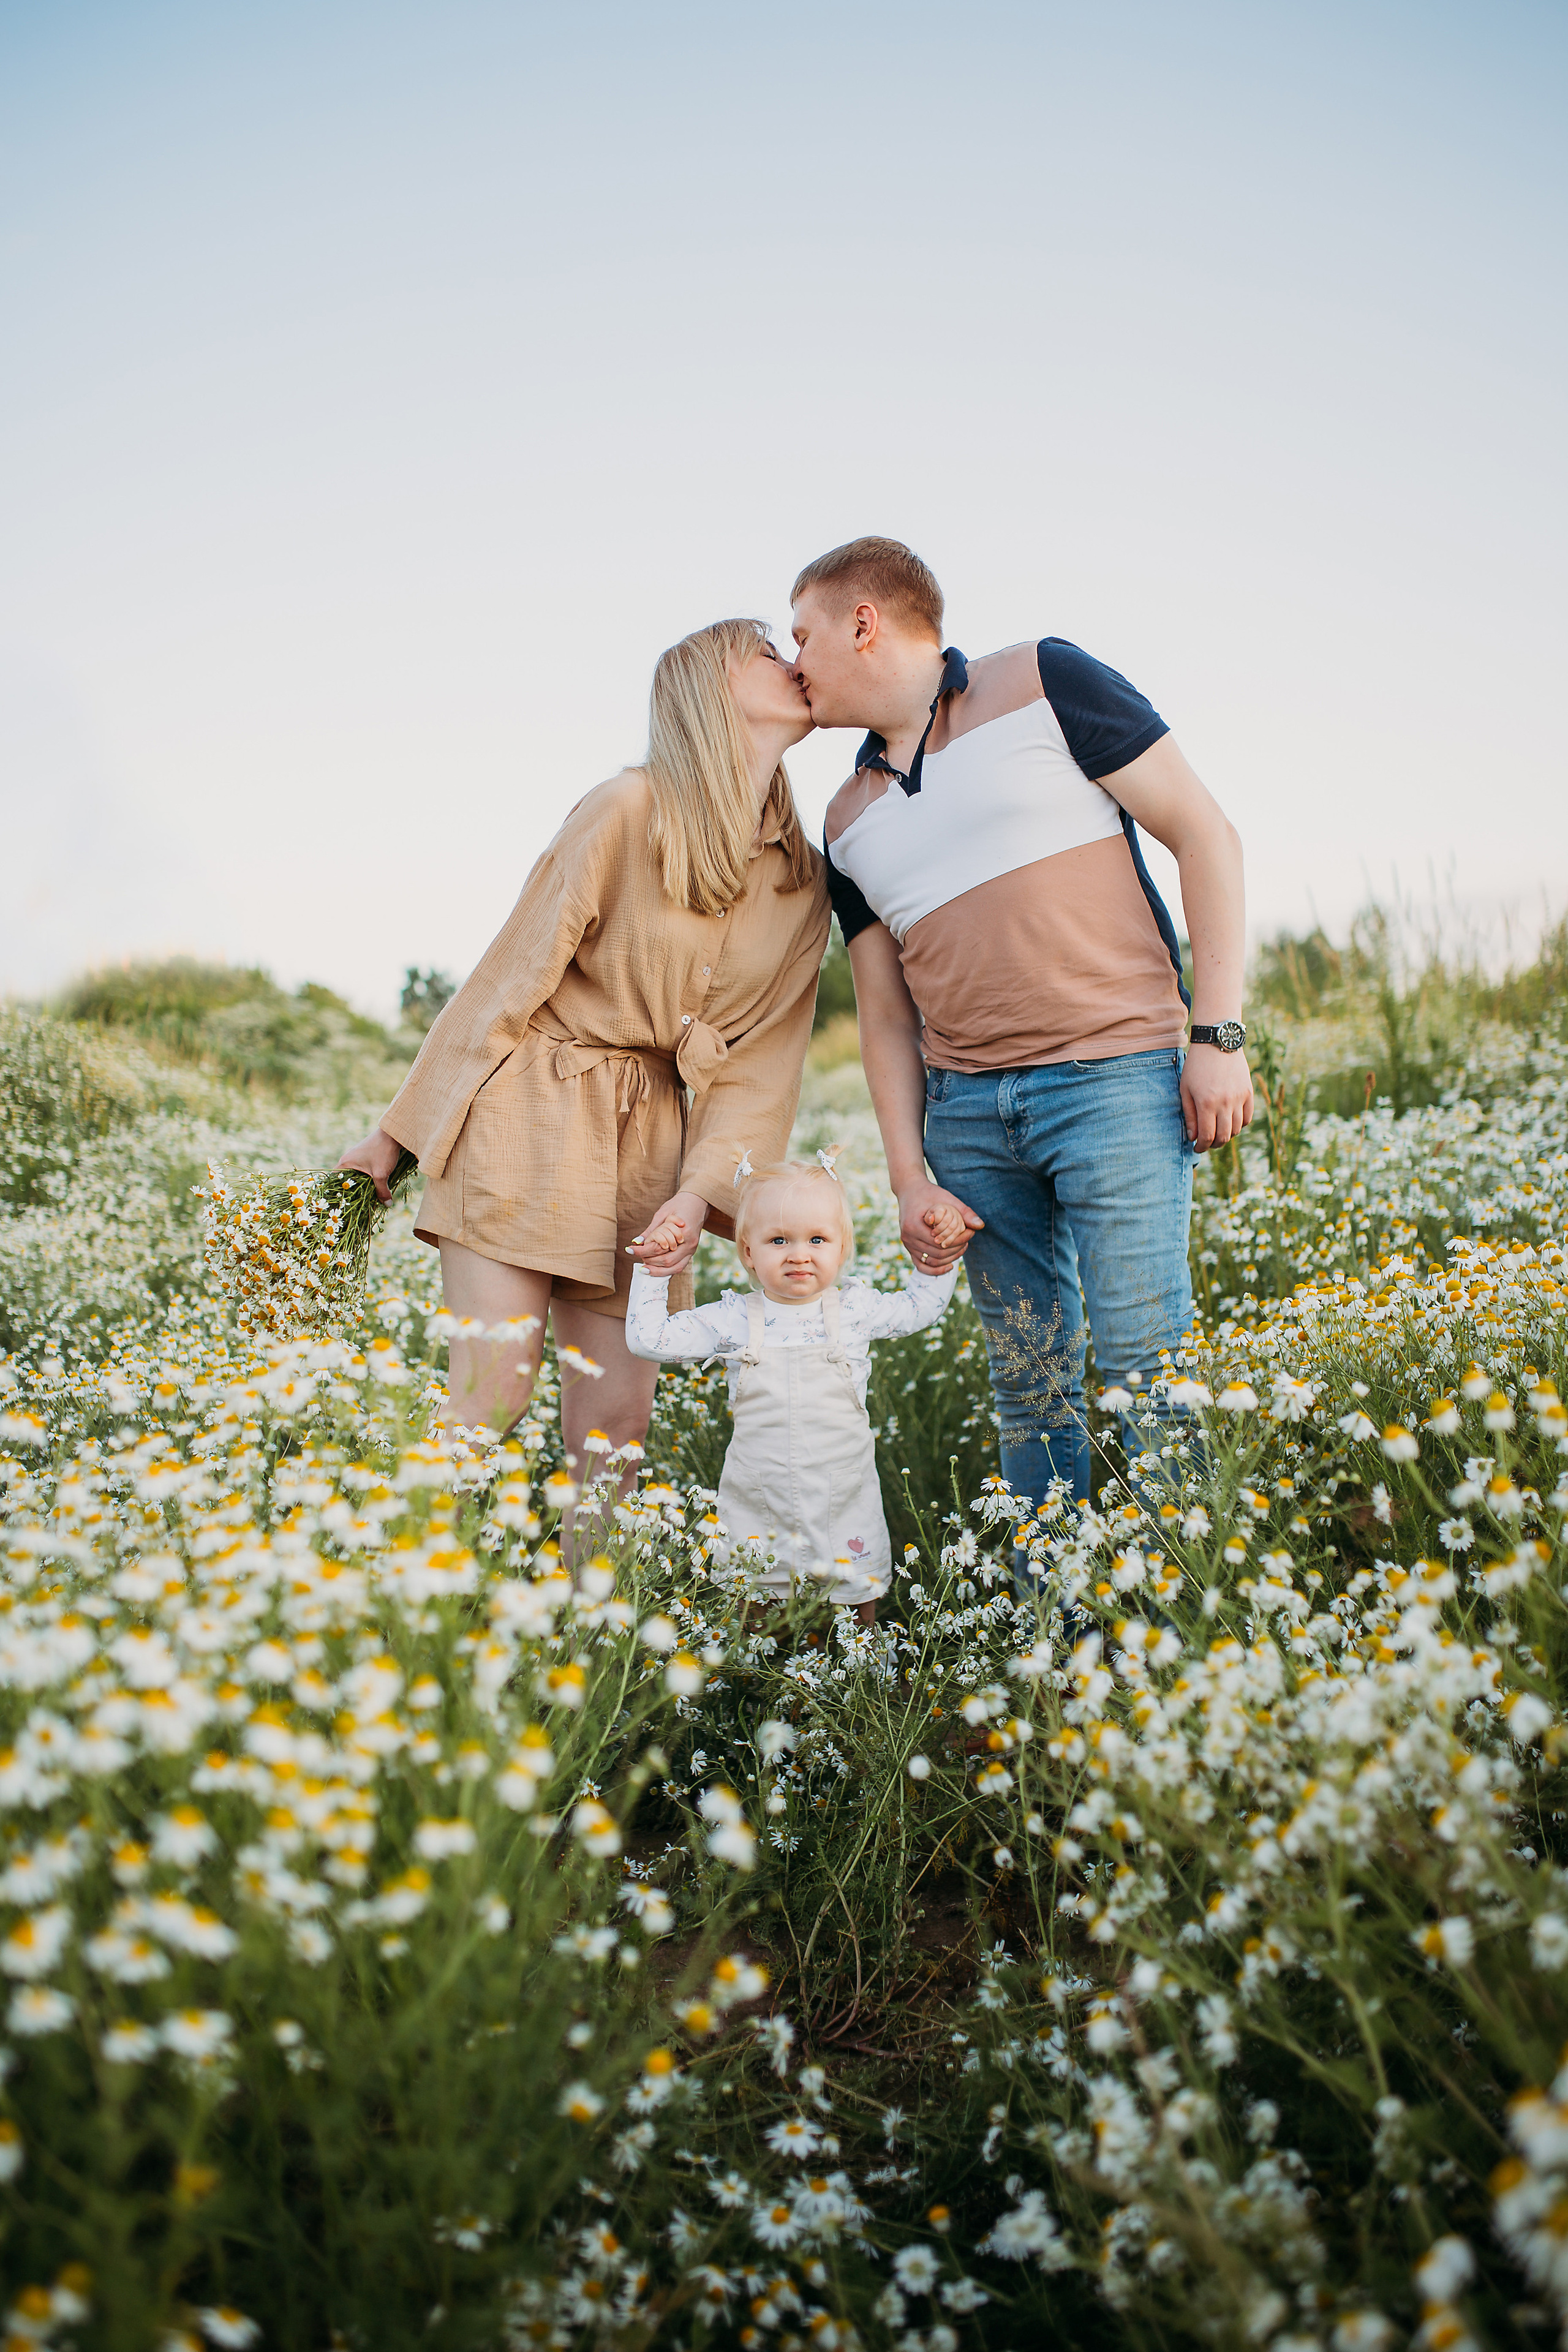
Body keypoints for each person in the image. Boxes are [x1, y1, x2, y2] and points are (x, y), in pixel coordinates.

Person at [788, 537, 1254, 1515]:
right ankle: (1056, 1627)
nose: (795, 663)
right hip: (968, 1121)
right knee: (1031, 1388)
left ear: (862, 623)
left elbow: (1205, 834)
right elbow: (883, 1016)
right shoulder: (844, 817)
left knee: (1146, 1364)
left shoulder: (1045, 677)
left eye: (803, 635)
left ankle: (1193, 1617)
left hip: (1116, 1083)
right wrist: (911, 1177)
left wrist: (1218, 1038)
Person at [336, 619, 830, 1486]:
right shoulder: (625, 808)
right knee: (494, 1392)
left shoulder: (803, 882)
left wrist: (696, 1195)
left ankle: (590, 1621)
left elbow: (762, 1068)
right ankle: (393, 1603)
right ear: (711, 690)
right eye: (767, 653)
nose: (796, 665)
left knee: (615, 1431)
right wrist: (396, 1136)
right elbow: (507, 977)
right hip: (530, 1112)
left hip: (651, 1151)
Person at [624, 1155, 959, 1619]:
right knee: (753, 1581)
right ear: (747, 1252)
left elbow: (921, 1307)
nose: (799, 1254)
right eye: (778, 1240)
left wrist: (939, 1249)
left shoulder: (855, 1310)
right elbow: (650, 1340)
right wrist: (653, 1271)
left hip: (843, 1487)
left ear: (842, 1250)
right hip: (760, 1489)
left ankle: (867, 1654)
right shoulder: (735, 1318)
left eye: (817, 1240)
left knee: (858, 1581)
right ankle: (750, 1666)